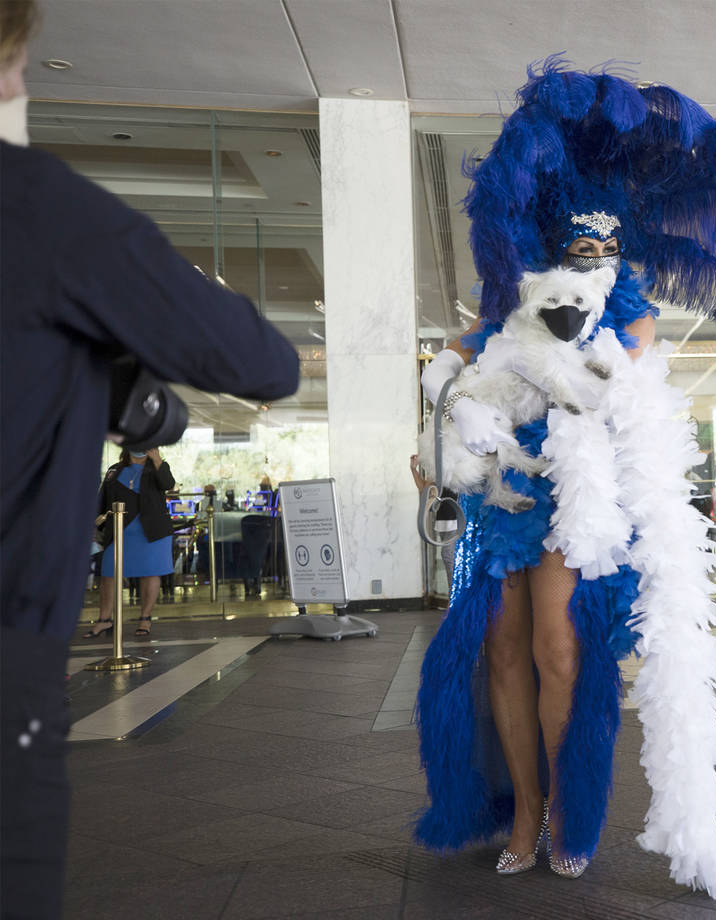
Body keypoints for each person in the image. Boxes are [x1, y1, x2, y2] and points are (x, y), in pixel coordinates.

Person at [413, 61, 716, 897]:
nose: (595, 250)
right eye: (582, 236)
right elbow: (459, 361)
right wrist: (441, 412)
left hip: (578, 497)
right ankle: (525, 809)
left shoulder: (630, 312)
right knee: (502, 652)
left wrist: (572, 367)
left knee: (559, 651)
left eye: (608, 241)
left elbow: (618, 387)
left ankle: (571, 812)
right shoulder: (513, 289)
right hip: (505, 490)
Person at [0, 3, 300, 915]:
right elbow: (263, 361)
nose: (16, 85)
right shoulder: (37, 210)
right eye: (13, 63)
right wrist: (109, 352)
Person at [85, 447, 176, 638]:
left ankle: (145, 618)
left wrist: (157, 459)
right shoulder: (115, 470)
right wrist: (92, 525)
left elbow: (168, 483)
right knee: (109, 573)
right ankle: (104, 620)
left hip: (152, 532)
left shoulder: (158, 469)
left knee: (149, 573)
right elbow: (101, 501)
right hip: (119, 532)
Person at [410, 454, 460, 597]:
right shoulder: (438, 470)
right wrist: (414, 469)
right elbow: (424, 488)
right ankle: (454, 597)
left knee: (448, 556)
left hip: (457, 518)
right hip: (443, 520)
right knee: (449, 559)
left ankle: (454, 598)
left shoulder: (458, 467)